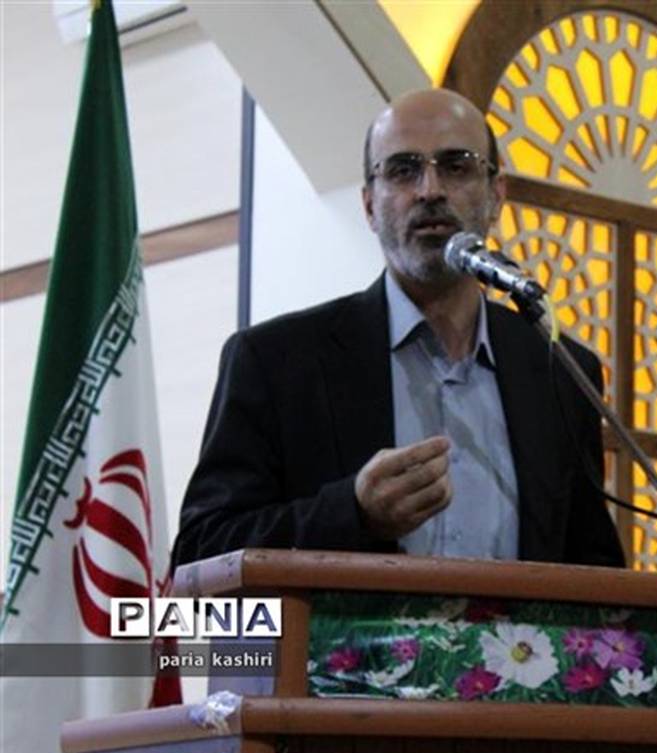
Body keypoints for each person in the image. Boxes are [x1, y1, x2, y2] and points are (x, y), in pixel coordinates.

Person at [171, 89, 625, 569]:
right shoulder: (275, 362)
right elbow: (200, 552)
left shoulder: (559, 371)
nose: (430, 190)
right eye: (403, 170)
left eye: (457, 166)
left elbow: (593, 568)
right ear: (370, 205)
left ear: (496, 197)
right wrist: (352, 513)